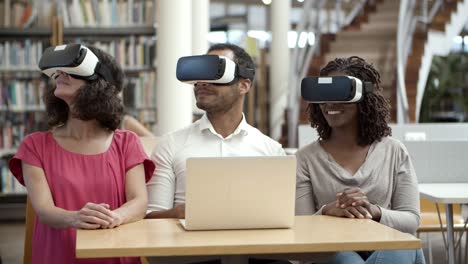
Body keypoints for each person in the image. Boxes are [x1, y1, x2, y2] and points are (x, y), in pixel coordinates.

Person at [9, 44, 155, 264]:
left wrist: (115, 217)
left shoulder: (127, 143)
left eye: (72, 69)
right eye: (58, 70)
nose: (61, 74)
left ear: (99, 84)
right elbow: (45, 210)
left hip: (115, 255)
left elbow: (139, 201)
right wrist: (74, 217)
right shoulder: (35, 146)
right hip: (59, 256)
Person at [295, 56, 425, 264]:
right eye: (323, 95)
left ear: (364, 98)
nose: (329, 103)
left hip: (386, 243)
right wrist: (328, 210)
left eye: (339, 94)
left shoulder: (393, 151)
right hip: (332, 248)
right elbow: (301, 228)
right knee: (345, 260)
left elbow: (411, 220)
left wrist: (374, 211)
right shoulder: (305, 159)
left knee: (400, 247)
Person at [146, 43, 285, 219]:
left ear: (243, 85)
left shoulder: (272, 152)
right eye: (200, 74)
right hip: (188, 244)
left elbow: (281, 216)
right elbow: (150, 218)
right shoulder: (170, 146)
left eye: (215, 72)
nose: (202, 83)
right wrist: (179, 213)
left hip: (251, 244)